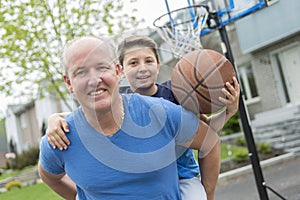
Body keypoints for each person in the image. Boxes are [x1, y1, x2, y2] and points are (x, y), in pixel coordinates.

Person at [46, 35, 240, 200]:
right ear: (122, 69)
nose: (142, 68)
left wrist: (227, 112)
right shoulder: (113, 96)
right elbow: (86, 113)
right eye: (134, 62)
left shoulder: (175, 96)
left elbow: (206, 133)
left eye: (148, 61)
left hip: (184, 176)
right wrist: (54, 118)